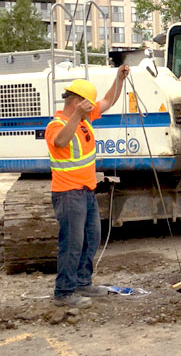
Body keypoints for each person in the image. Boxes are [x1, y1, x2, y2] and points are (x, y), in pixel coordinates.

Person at [46, 65, 130, 308]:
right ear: (77, 102)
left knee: (91, 238)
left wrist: (119, 79)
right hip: (68, 194)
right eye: (88, 104)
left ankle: (83, 282)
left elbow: (108, 100)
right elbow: (61, 141)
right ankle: (63, 292)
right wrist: (75, 116)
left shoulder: (84, 119)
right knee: (71, 244)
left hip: (86, 192)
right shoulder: (57, 123)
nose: (94, 107)